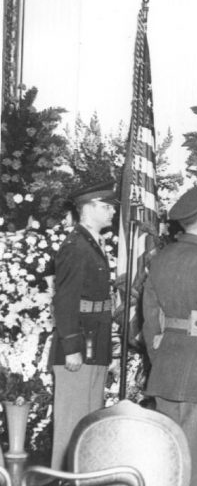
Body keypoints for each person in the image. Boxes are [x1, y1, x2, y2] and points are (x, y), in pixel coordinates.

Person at [142, 181, 197, 486]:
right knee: (193, 469)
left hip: (165, 370)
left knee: (167, 461)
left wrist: (162, 358)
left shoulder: (159, 259)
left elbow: (150, 322)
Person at [49, 180, 119, 469]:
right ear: (87, 210)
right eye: (106, 206)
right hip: (79, 348)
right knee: (72, 426)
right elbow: (64, 300)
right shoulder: (76, 247)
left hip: (95, 342)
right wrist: (72, 347)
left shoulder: (90, 243)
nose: (112, 212)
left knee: (88, 422)